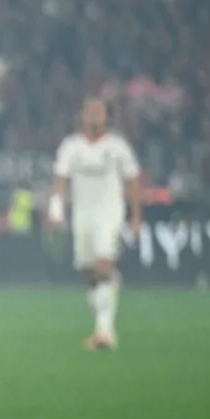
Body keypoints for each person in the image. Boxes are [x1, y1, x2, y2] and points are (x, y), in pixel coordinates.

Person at [48, 98, 142, 350]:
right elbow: (61, 179)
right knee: (89, 272)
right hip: (82, 214)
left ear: (106, 117)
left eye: (99, 112)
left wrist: (135, 217)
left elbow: (133, 181)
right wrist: (56, 208)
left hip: (109, 213)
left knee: (103, 266)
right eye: (90, 112)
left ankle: (104, 332)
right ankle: (111, 289)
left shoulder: (117, 146)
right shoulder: (71, 146)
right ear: (82, 116)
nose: (94, 116)